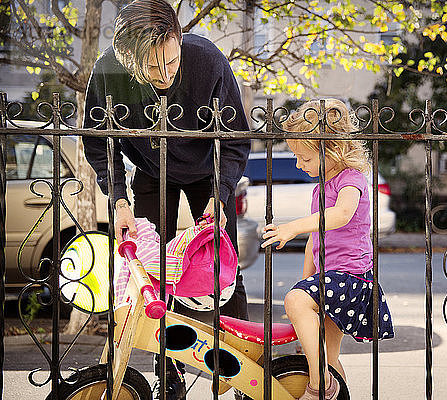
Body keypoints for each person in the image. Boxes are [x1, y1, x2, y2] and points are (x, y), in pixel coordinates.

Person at [81, 0, 250, 398]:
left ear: (178, 40)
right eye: (152, 68)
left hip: (207, 173)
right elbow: (98, 141)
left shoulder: (207, 59)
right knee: (153, 273)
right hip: (151, 173)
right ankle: (168, 371)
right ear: (128, 58)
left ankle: (243, 368)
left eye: (171, 63)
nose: (164, 75)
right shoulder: (109, 69)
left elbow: (236, 139)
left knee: (223, 265)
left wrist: (220, 195)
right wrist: (118, 200)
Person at [261, 99, 394, 400]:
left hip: (350, 278)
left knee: (295, 302)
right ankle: (333, 386)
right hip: (330, 278)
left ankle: (320, 386)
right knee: (329, 359)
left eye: (304, 158)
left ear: (331, 149)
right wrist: (304, 284)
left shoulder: (351, 179)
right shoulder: (320, 188)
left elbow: (342, 214)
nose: (298, 164)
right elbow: (314, 241)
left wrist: (293, 226)